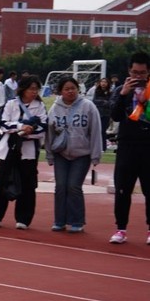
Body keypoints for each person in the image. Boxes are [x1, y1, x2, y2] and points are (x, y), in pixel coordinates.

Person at [0, 75, 47, 229]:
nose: (34, 92)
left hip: (29, 150)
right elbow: (3, 124)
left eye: (36, 89)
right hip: (10, 148)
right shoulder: (11, 104)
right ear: (23, 89)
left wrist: (30, 130)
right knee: (2, 181)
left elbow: (43, 126)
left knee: (28, 184)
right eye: (31, 89)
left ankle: (23, 219)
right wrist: (21, 126)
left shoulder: (40, 106)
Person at [45, 77, 102, 233]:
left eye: (73, 88)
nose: (70, 91)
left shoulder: (88, 107)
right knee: (61, 186)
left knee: (74, 186)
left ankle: (77, 221)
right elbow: (49, 133)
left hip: (81, 154)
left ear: (78, 89)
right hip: (61, 154)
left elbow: (96, 131)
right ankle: (60, 220)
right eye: (66, 89)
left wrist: (96, 154)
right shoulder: (55, 109)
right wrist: (49, 154)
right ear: (60, 91)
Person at [108, 51, 150, 244]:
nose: (138, 76)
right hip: (126, 145)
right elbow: (115, 116)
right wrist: (124, 94)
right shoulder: (120, 90)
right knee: (123, 189)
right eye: (134, 72)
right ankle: (121, 229)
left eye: (142, 73)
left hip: (148, 146)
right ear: (129, 71)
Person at [91, 77, 112, 151]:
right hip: (98, 113)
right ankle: (95, 146)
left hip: (106, 114)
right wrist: (103, 102)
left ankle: (103, 147)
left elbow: (110, 102)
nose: (103, 83)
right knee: (96, 130)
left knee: (103, 131)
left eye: (105, 82)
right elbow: (94, 101)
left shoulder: (110, 92)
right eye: (102, 82)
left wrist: (103, 102)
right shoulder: (97, 91)